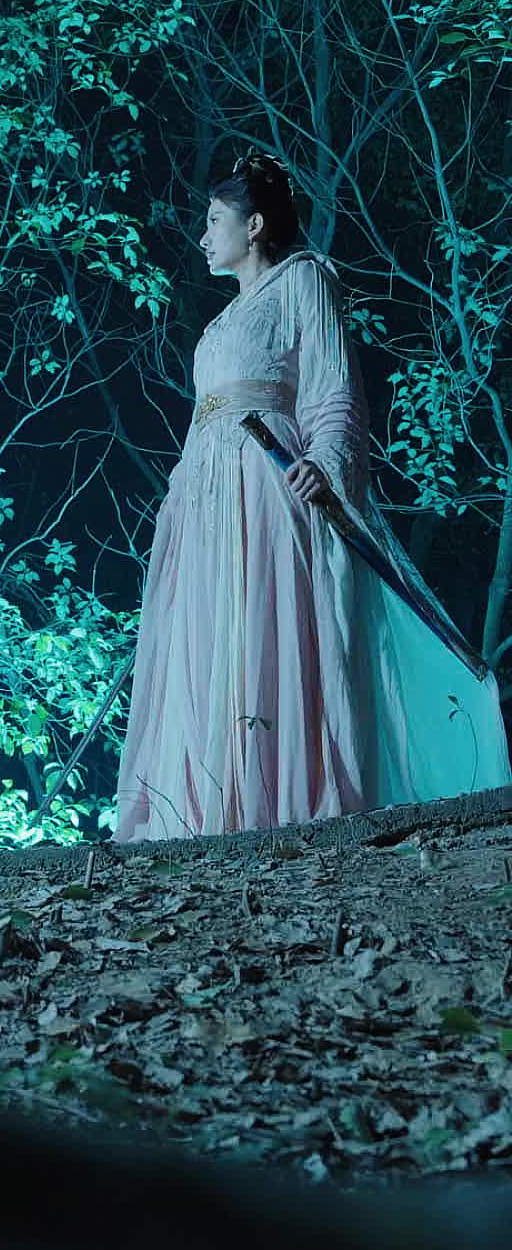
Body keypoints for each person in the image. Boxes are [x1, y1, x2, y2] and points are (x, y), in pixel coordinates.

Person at [114, 150, 511, 841]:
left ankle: (280, 805)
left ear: (255, 225)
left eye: (215, 220)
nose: (203, 237)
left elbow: (333, 389)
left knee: (266, 633)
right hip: (205, 501)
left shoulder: (304, 281)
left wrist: (325, 463)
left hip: (267, 491)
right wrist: (178, 499)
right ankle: (207, 808)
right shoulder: (218, 326)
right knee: (206, 642)